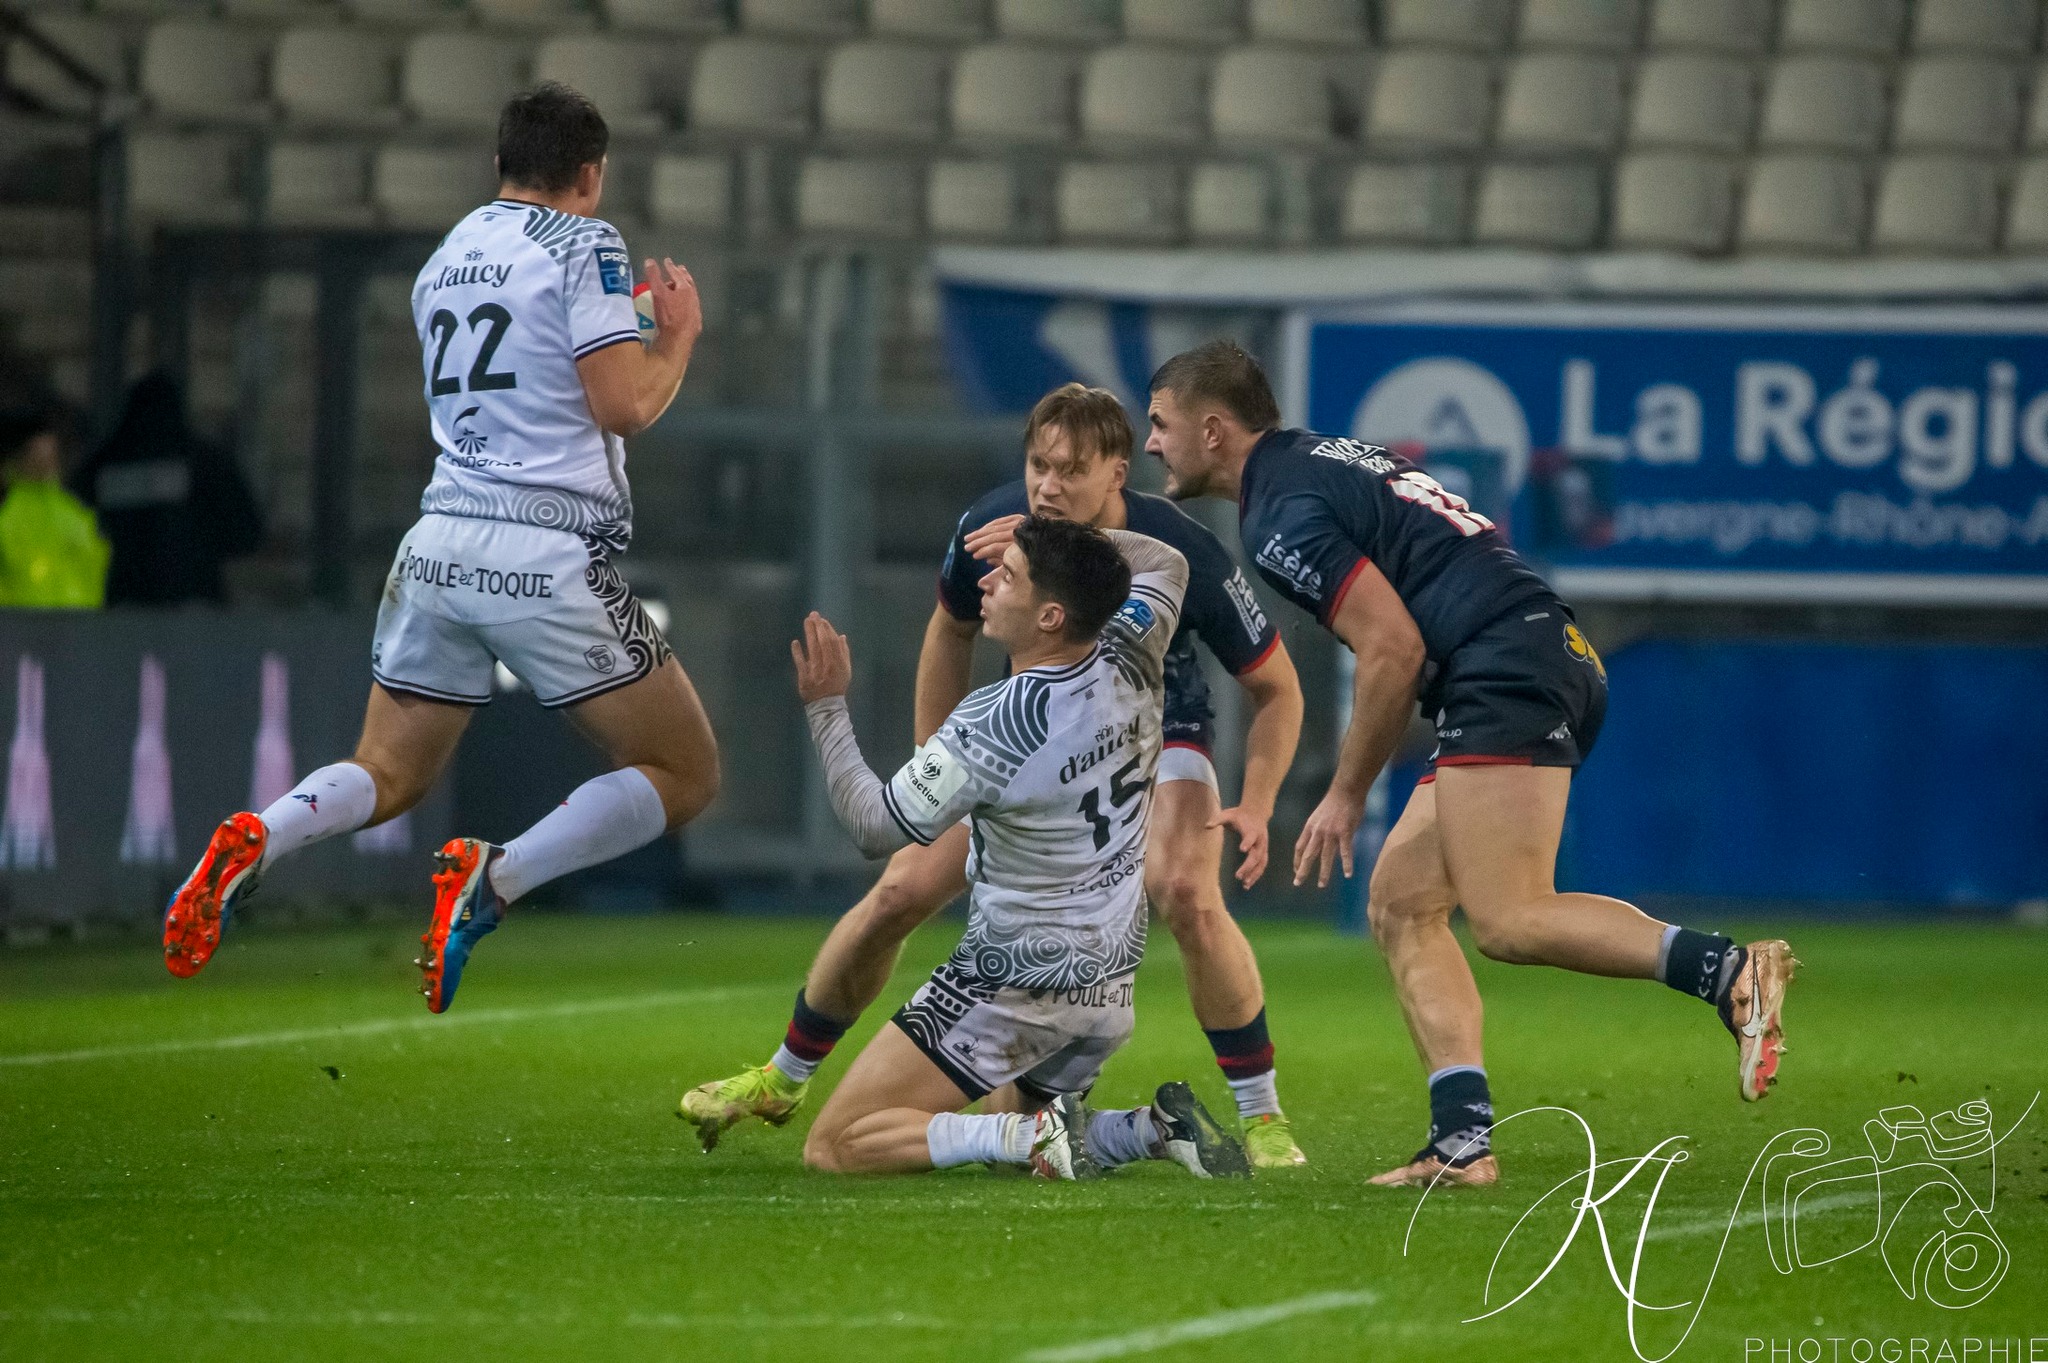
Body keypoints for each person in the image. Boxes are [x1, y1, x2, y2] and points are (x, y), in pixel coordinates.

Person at [1143, 340, 1797, 1189]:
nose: (1151, 442)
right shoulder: (1321, 455)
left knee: (1510, 919)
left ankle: (1727, 969)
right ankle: (1461, 1141)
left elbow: (1392, 648)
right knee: (1403, 903)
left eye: (1160, 424)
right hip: (1535, 651)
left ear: (1213, 428)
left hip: (1504, 668)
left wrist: (1344, 793)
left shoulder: (1278, 513)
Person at [159, 82, 720, 1013]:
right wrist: (677, 339)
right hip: (543, 549)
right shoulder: (586, 241)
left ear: (501, 164)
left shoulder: (446, 257)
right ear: (591, 173)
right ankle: (496, 879)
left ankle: (262, 831)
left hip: (436, 545)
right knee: (685, 771)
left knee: (387, 770)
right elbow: (623, 406)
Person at [682, 383, 1311, 1168]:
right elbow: (950, 627)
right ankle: (785, 1075)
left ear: (1119, 473)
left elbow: (1276, 687)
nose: (1046, 488)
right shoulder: (994, 525)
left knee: (1187, 889)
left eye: (1070, 471)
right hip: (1045, 748)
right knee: (902, 889)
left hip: (1152, 719)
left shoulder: (1173, 548)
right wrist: (936, 773)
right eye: (1037, 466)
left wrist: (1258, 800)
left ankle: (1263, 1116)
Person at [791, 514, 1249, 1180]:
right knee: (1006, 1144)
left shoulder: (998, 720)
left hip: (1013, 984)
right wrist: (1069, 542)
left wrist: (827, 706)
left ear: (1051, 616)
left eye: (1010, 576)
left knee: (839, 1143)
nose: (990, 582)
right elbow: (1167, 563)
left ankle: (1029, 1135)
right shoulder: (1132, 648)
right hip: (1108, 993)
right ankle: (1147, 1130)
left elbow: (872, 825)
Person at [71, 372, 261, 606]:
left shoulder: (104, 467)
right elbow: (246, 534)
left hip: (124, 604)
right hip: (195, 602)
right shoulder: (207, 464)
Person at [0, 403, 109, 608]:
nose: (44, 458)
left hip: (71, 628)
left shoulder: (74, 512)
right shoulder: (73, 512)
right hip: (23, 631)